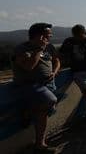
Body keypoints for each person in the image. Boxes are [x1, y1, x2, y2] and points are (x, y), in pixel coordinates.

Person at [13, 23, 60, 153]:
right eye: (48, 35)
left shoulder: (49, 47)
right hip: (30, 85)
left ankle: (40, 144)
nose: (50, 37)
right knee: (50, 101)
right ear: (39, 36)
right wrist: (39, 50)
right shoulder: (22, 49)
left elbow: (56, 61)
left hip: (48, 85)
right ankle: (39, 142)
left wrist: (55, 72)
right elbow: (28, 67)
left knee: (43, 113)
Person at [59, 24, 86, 121]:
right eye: (76, 36)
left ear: (85, 33)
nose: (78, 38)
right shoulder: (69, 41)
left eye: (80, 36)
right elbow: (62, 53)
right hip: (78, 72)